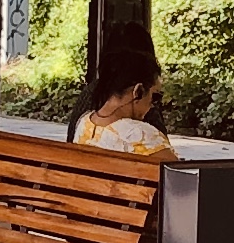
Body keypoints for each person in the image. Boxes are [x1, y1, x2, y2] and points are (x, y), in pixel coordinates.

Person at [73, 28, 175, 161]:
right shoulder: (142, 136)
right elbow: (176, 172)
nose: (152, 105)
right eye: (154, 96)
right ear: (138, 91)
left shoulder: (84, 124)